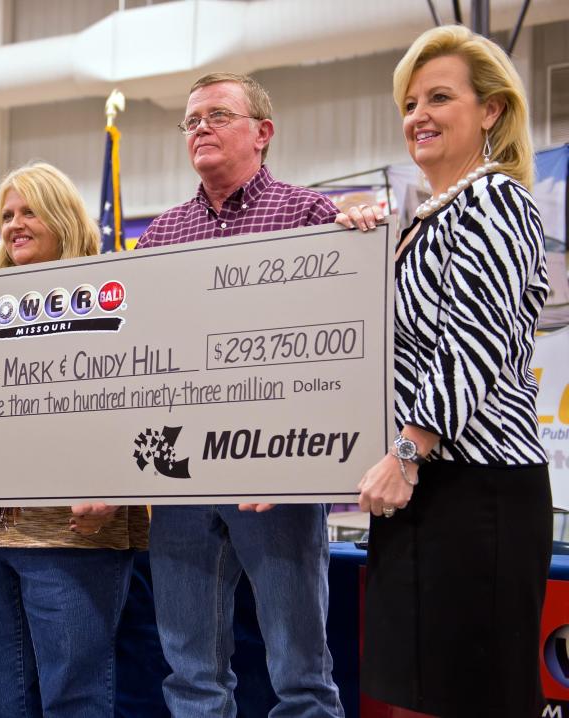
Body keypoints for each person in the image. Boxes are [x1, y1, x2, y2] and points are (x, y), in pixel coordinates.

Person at [344, 26, 552, 718]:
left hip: (476, 492)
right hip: (423, 490)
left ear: (490, 110)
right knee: (413, 701)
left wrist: (407, 451)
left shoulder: (497, 200)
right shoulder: (430, 218)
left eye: (439, 97)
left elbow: (475, 342)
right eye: (409, 103)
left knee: (466, 702)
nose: (418, 116)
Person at [135, 72, 345, 717]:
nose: (201, 127)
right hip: (180, 478)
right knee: (190, 670)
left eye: (218, 115)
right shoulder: (159, 237)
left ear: (262, 133)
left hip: (276, 471)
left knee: (300, 670)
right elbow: (132, 362)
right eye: (192, 119)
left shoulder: (313, 216)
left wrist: (361, 229)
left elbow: (347, 343)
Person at [0, 162, 149, 718]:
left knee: (75, 697)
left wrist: (116, 486)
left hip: (68, 534)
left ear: (63, 216)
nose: (14, 224)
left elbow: (147, 402)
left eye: (29, 211)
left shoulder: (115, 299)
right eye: (6, 215)